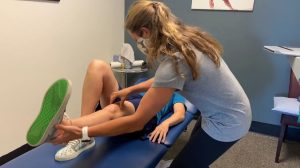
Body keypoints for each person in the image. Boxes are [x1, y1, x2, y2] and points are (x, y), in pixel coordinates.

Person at [52, 1, 252, 167]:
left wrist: (83, 131)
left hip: (228, 122)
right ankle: (71, 130)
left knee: (186, 163)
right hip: (220, 111)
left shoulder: (175, 61)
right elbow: (163, 79)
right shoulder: (188, 40)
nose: (140, 45)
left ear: (145, 32)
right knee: (98, 67)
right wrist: (131, 89)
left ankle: (66, 127)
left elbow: (138, 121)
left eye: (137, 39)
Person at [53, 60, 186, 161]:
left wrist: (165, 124)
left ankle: (65, 126)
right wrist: (127, 90)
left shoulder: (175, 93)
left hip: (147, 111)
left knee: (113, 109)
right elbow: (149, 83)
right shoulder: (157, 81)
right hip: (133, 98)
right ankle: (84, 138)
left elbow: (180, 114)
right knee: (98, 66)